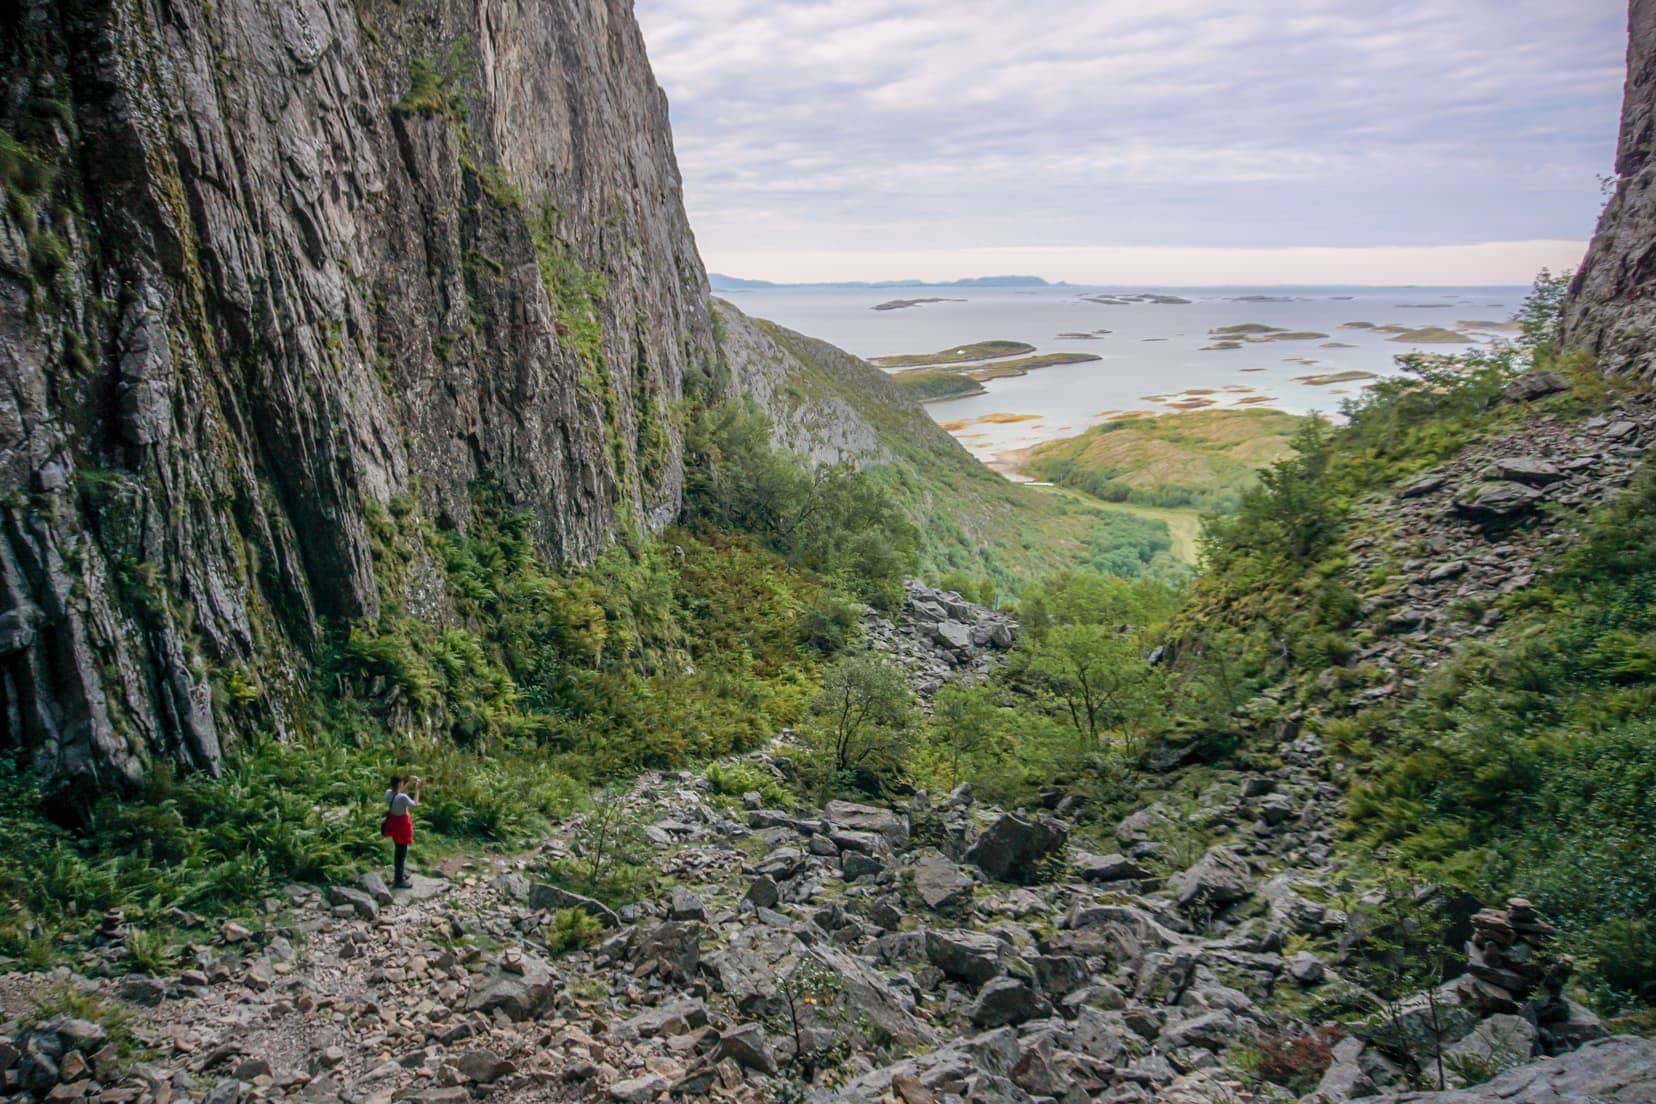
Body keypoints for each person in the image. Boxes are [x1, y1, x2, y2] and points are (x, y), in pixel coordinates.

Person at [382, 774, 422, 888]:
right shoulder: (402, 798)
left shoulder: (388, 793)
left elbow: (398, 795)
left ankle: (400, 873)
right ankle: (399, 880)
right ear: (399, 784)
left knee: (398, 850)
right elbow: (414, 804)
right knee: (401, 853)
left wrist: (409, 784)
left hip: (394, 825)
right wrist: (417, 789)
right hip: (403, 826)